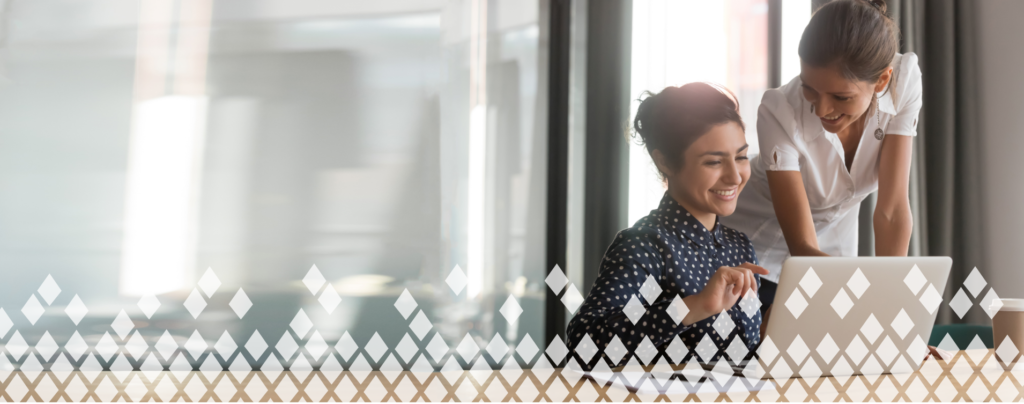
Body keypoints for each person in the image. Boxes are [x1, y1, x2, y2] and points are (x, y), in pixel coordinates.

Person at [720, 0, 921, 316]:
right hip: (752, 252)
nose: (822, 109)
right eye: (809, 89)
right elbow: (802, 249)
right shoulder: (778, 112)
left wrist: (893, 306)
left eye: (841, 97)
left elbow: (892, 211)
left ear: (882, 81)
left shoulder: (902, 82)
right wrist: (875, 299)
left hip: (831, 254)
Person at [565, 83, 769, 368]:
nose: (735, 176)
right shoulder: (645, 245)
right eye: (714, 162)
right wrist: (692, 307)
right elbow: (583, 342)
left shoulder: (739, 246)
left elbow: (743, 355)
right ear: (665, 162)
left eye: (741, 157)